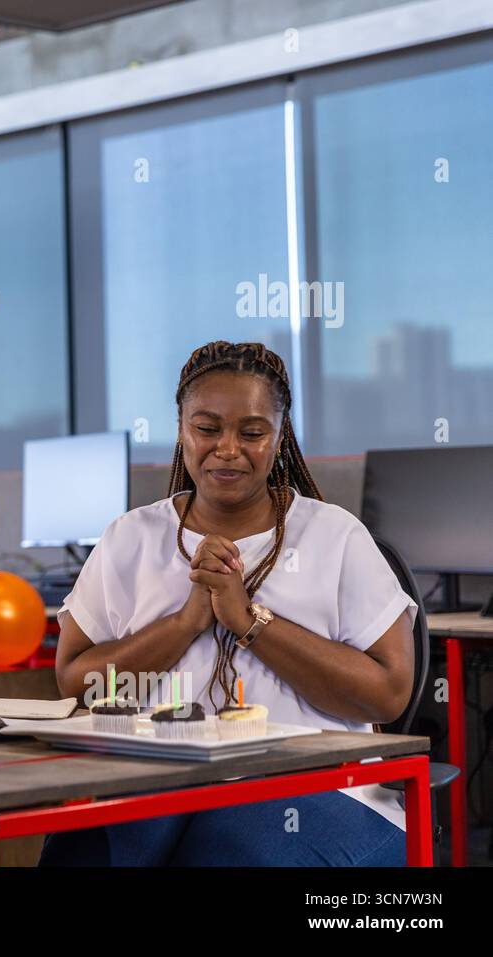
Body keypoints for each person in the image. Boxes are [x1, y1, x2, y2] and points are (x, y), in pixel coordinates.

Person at [40, 341, 416, 866]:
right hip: (162, 784)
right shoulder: (131, 537)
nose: (228, 448)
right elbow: (76, 682)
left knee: (227, 852)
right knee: (79, 852)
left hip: (318, 788)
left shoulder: (335, 536)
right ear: (181, 430)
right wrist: (185, 623)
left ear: (279, 436)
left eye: (253, 432)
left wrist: (248, 620)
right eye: (207, 428)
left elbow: (388, 695)